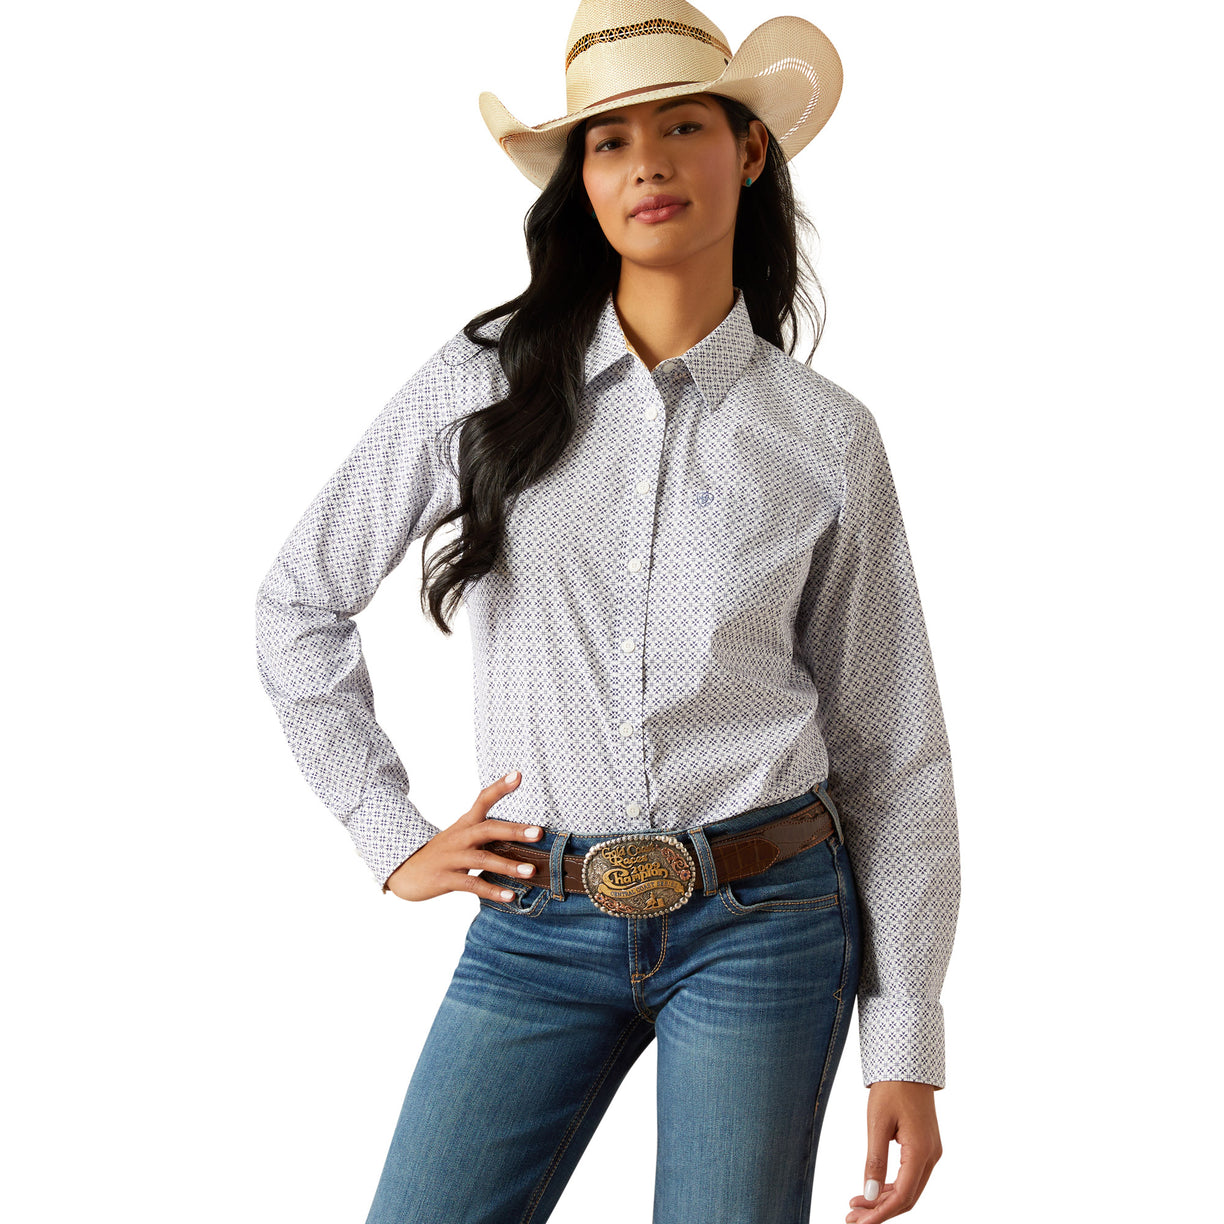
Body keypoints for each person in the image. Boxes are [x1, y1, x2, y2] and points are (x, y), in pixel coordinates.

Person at [254, 3, 961, 1222]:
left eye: (682, 125)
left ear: (746, 151)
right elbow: (297, 604)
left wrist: (906, 1038)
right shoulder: (482, 384)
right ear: (580, 179)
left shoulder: (825, 437)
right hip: (535, 920)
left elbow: (892, 751)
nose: (645, 161)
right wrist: (388, 833)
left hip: (766, 921)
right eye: (607, 139)